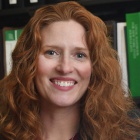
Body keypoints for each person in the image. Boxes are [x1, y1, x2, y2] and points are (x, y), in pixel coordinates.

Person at [0, 1, 140, 140]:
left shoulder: (128, 136)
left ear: (95, 67)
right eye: (51, 52)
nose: (65, 68)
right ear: (28, 61)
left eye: (80, 55)